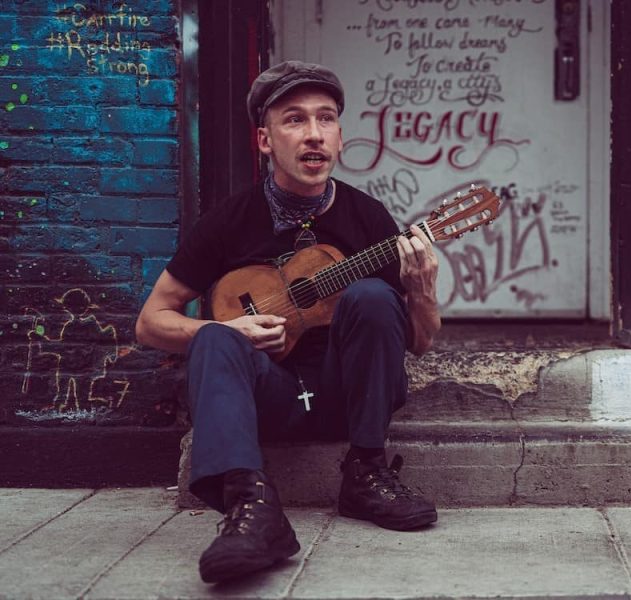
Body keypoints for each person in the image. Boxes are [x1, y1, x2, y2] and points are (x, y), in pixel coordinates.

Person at [135, 60, 442, 584]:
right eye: (295, 120)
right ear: (264, 139)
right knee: (211, 336)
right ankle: (252, 508)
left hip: (345, 398)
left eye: (327, 119)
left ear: (341, 137)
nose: (315, 135)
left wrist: (422, 290)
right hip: (268, 400)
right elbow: (149, 323)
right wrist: (224, 330)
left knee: (371, 296)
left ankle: (366, 471)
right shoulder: (228, 222)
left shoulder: (368, 219)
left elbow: (416, 342)